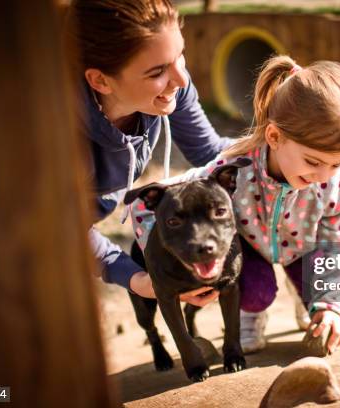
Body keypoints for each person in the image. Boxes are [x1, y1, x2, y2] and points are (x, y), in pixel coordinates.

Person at [131, 55, 340, 354]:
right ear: (274, 136)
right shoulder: (235, 168)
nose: (324, 175)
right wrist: (164, 258)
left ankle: (310, 301)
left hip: (306, 249)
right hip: (250, 248)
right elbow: (147, 204)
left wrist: (331, 302)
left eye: (338, 164)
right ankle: (250, 316)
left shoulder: (332, 181)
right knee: (255, 294)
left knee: (334, 301)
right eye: (314, 161)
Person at [65, 0, 231, 307]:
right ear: (100, 80)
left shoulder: (170, 88)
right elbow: (62, 229)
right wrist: (136, 278)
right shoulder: (60, 137)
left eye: (179, 56)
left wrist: (280, 140)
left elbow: (210, 151)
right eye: (157, 71)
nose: (181, 80)